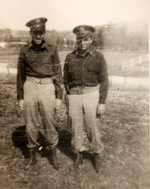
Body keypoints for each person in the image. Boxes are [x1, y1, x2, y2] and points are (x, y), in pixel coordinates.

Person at [17, 17, 63, 170]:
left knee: (49, 122)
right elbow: (20, 75)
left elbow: (57, 73)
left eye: (41, 33)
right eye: (35, 33)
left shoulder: (52, 49)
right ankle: (32, 157)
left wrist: (58, 96)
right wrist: (20, 97)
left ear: (44, 33)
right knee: (31, 124)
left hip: (47, 87)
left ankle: (54, 157)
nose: (38, 36)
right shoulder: (24, 50)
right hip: (30, 86)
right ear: (31, 33)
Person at [63, 25, 109, 173]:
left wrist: (101, 102)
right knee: (76, 127)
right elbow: (65, 79)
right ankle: (78, 154)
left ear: (90, 40)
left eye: (85, 40)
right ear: (76, 40)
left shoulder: (98, 57)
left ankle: (96, 155)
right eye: (79, 40)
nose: (82, 43)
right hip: (74, 95)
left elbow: (105, 81)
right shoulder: (69, 57)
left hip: (91, 95)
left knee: (93, 128)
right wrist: (69, 97)